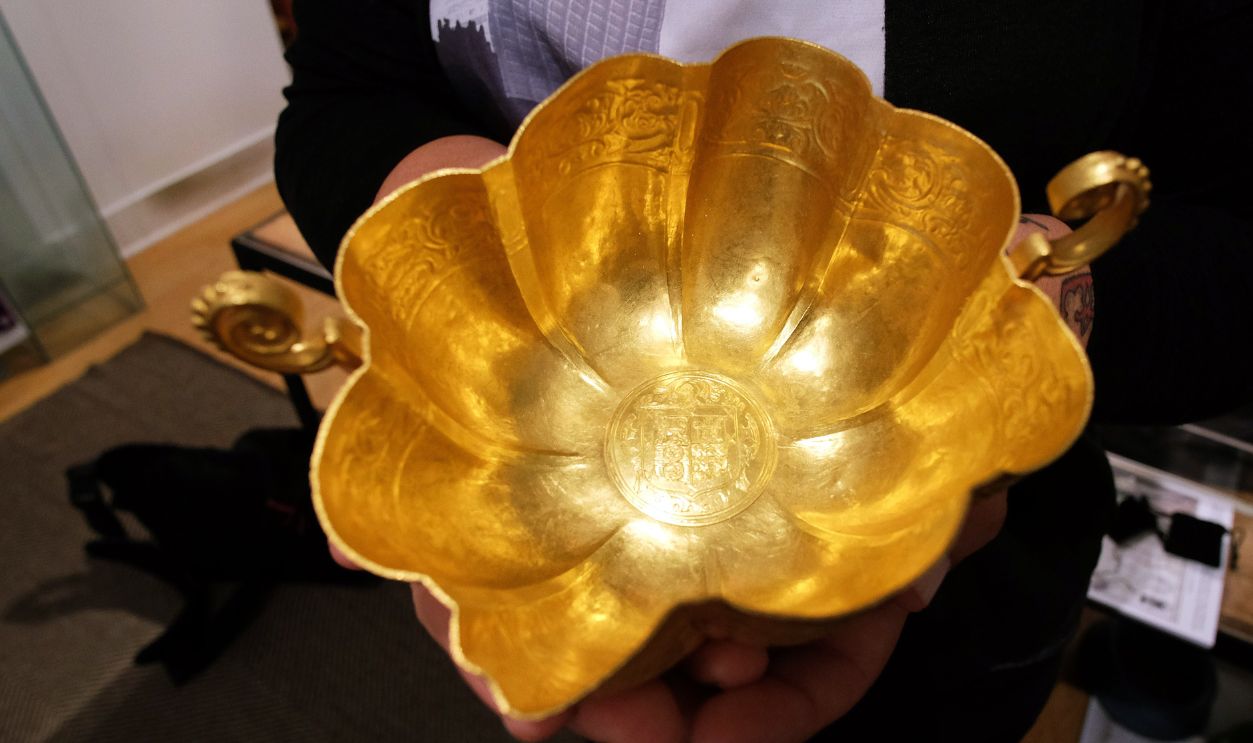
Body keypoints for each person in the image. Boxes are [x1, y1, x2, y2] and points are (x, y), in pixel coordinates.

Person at [275, 2, 1253, 740]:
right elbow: (345, 93)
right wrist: (452, 245)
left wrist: (1020, 315)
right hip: (542, 420)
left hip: (966, 554)